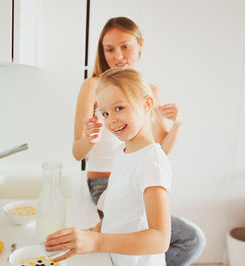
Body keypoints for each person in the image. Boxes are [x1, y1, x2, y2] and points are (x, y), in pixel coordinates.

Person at [72, 17, 205, 265]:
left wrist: (178, 124)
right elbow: (77, 153)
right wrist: (90, 139)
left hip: (137, 178)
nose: (118, 55)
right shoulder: (93, 86)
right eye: (109, 49)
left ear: (140, 45)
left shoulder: (149, 92)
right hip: (104, 182)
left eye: (125, 46)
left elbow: (157, 153)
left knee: (191, 238)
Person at [46, 67, 172, 265]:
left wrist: (98, 242)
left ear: (147, 104)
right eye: (105, 113)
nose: (111, 120)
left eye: (119, 108)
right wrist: (94, 232)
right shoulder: (122, 152)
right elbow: (122, 213)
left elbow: (160, 240)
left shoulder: (151, 162)